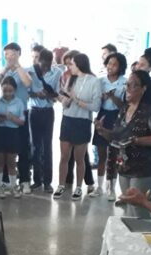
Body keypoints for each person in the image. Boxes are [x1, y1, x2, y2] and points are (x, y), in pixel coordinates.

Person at [95, 70, 151, 216]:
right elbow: (117, 136)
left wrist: (137, 140)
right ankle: (130, 237)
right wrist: (102, 131)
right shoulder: (124, 109)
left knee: (138, 211)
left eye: (133, 85)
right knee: (128, 207)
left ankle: (139, 237)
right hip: (124, 166)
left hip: (144, 168)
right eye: (127, 85)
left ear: (143, 89)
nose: (128, 88)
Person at [54, 53, 102, 201]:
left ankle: (79, 186)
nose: (69, 67)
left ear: (80, 65)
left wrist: (75, 99)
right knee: (64, 156)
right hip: (68, 119)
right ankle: (61, 185)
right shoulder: (70, 79)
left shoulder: (94, 81)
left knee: (79, 158)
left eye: (72, 64)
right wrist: (65, 99)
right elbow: (65, 102)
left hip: (82, 122)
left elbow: (95, 106)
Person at [0, 42, 33, 194]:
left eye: (11, 54)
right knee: (3, 152)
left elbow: (28, 83)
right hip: (3, 113)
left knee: (23, 148)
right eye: (5, 55)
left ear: (18, 53)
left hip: (20, 113)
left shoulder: (25, 70)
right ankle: (4, 183)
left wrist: (16, 66)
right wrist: (5, 69)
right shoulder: (4, 71)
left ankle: (24, 180)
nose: (8, 58)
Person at [90, 52, 128, 199]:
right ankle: (99, 186)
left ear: (120, 67)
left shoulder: (124, 82)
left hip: (116, 117)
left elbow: (124, 105)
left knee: (114, 154)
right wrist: (102, 97)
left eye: (114, 64)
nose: (110, 67)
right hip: (102, 115)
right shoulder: (100, 81)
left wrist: (112, 96)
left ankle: (111, 188)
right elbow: (96, 102)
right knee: (101, 154)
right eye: (109, 63)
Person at [28, 48, 63, 193]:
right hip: (34, 111)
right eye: (43, 64)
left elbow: (57, 95)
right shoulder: (30, 71)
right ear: (38, 60)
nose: (45, 67)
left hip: (48, 112)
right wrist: (36, 94)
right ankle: (37, 180)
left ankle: (47, 181)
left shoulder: (56, 73)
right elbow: (26, 91)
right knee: (35, 147)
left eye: (48, 64)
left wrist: (46, 96)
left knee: (47, 146)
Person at [0, 77, 26, 198]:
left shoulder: (19, 102)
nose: (7, 93)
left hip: (13, 133)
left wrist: (11, 117)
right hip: (0, 132)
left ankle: (13, 186)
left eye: (10, 91)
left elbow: (22, 121)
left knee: (11, 162)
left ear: (15, 90)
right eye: (4, 91)